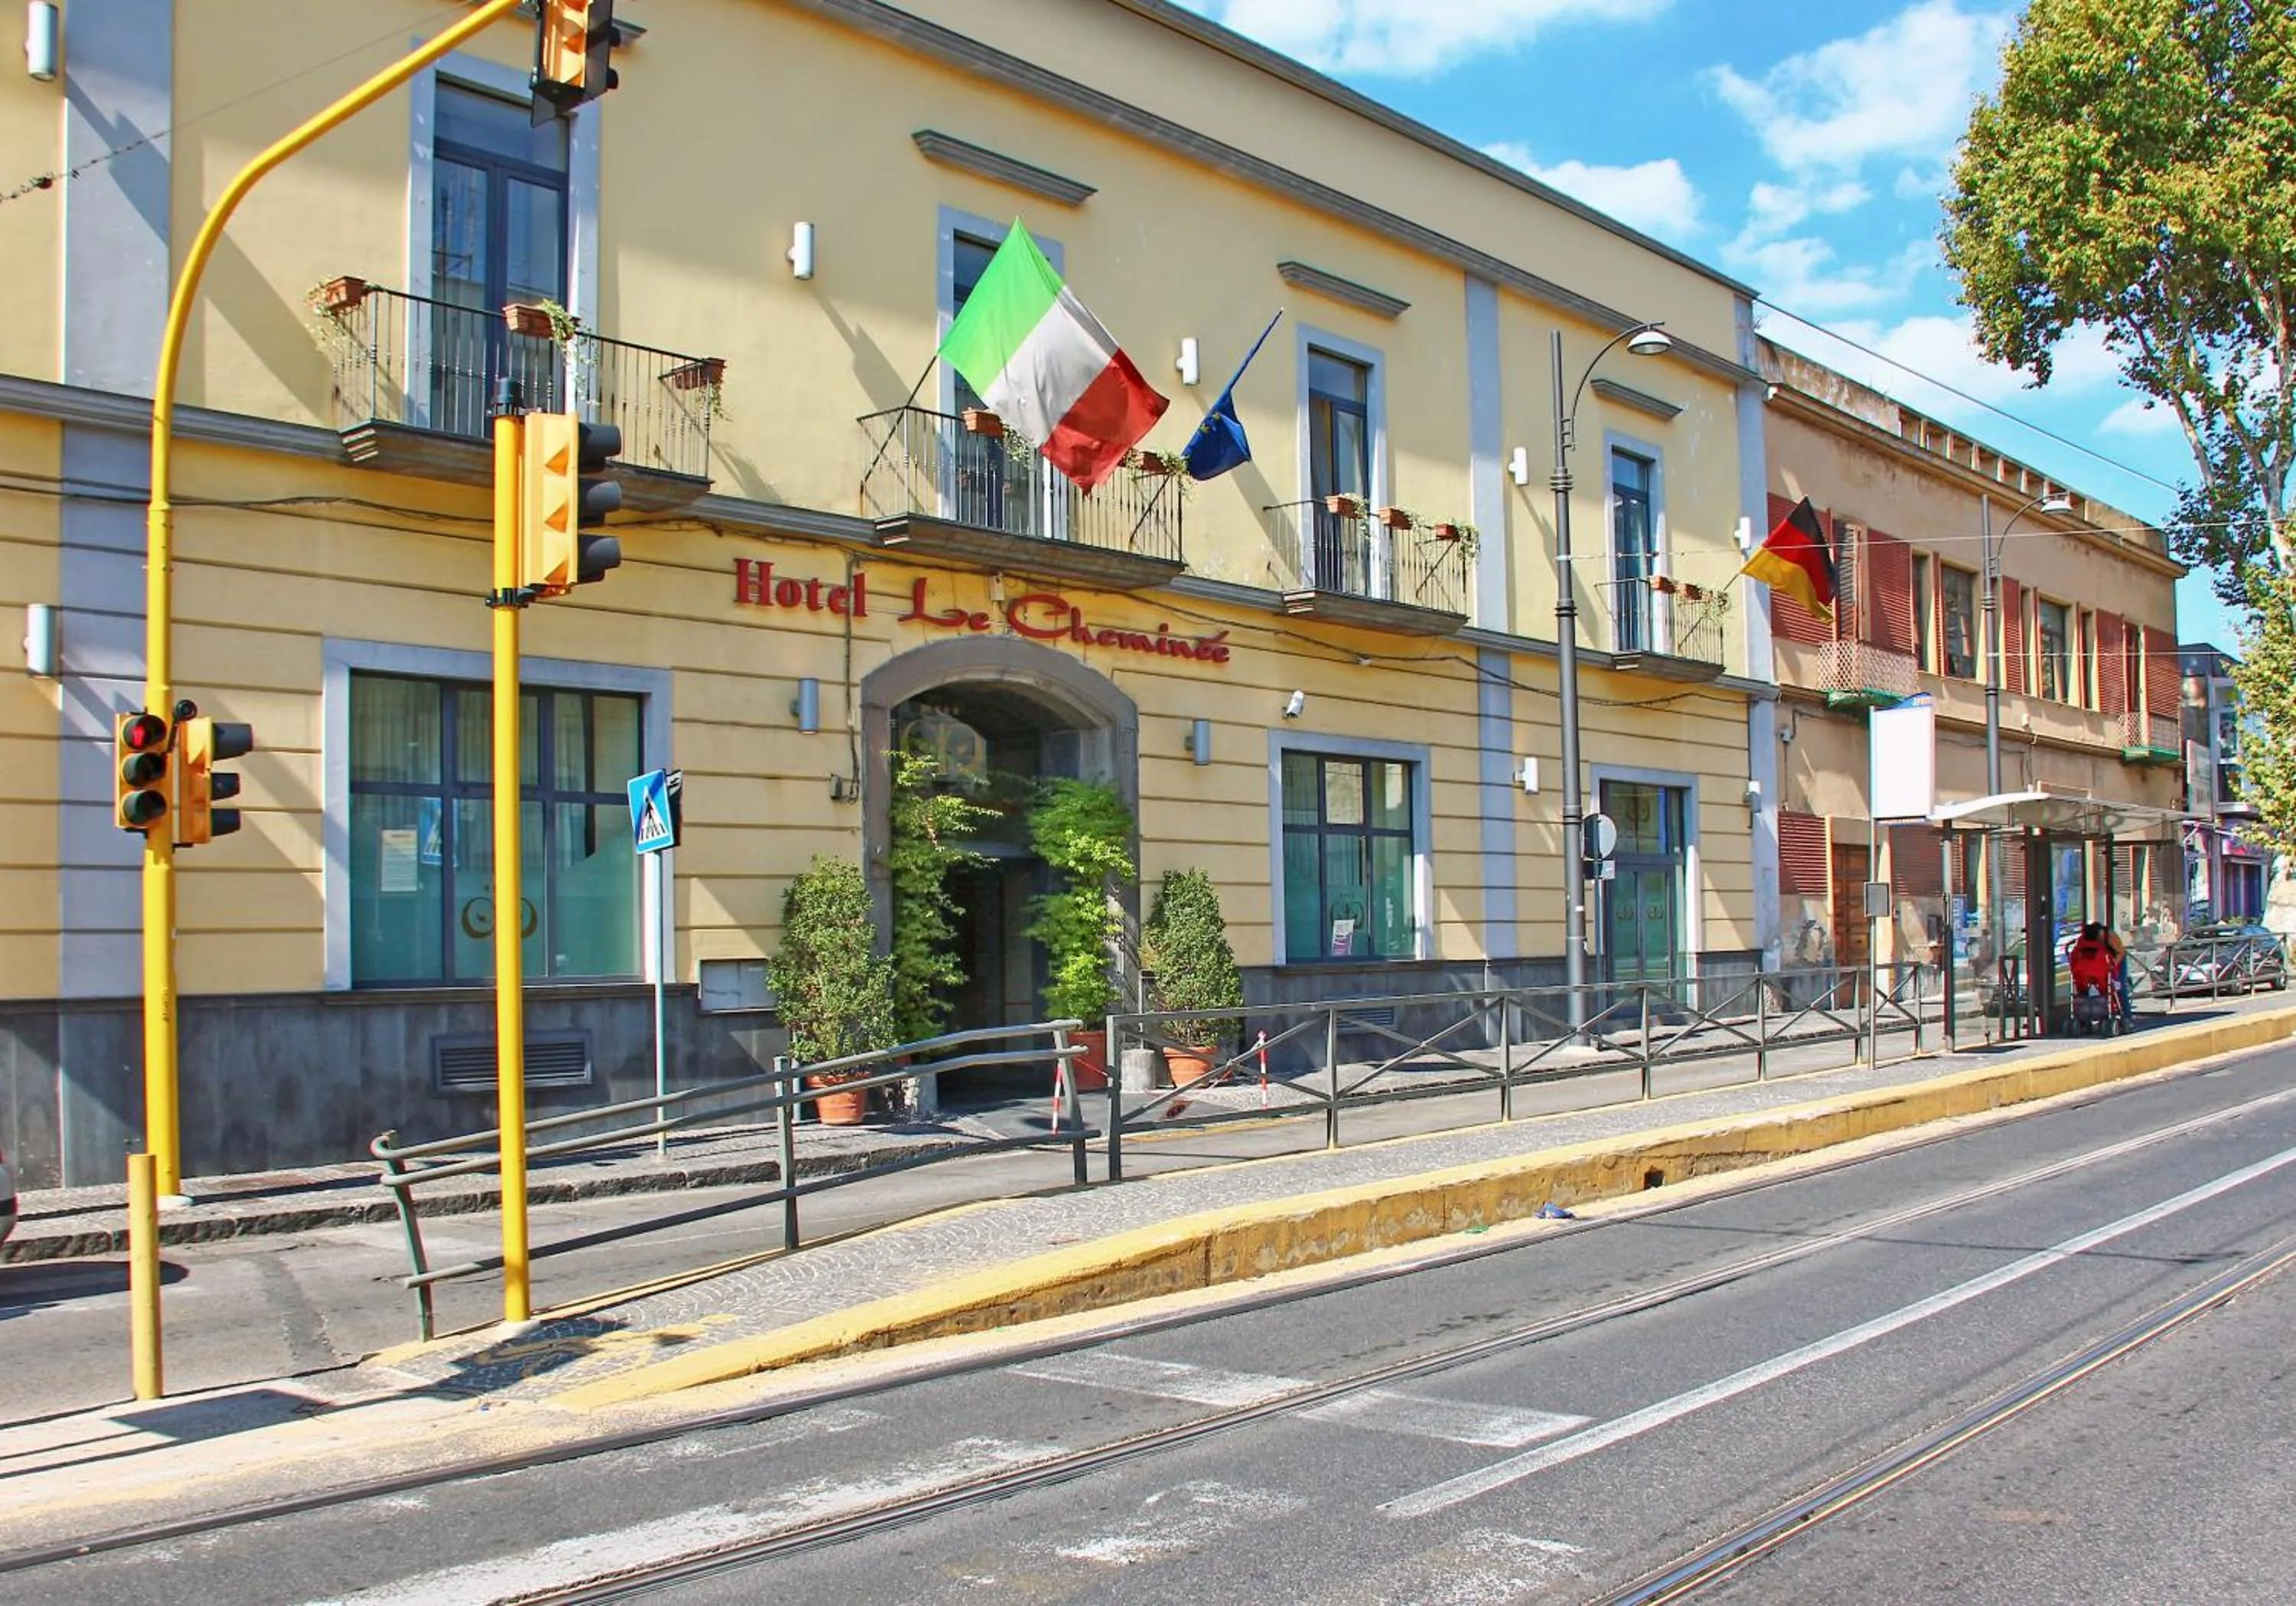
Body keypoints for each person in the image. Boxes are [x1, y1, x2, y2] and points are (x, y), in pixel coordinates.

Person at [2068, 923, 2116, 1019]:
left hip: (2082, 981)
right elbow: (2111, 966)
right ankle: (2109, 1013)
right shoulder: (2102, 951)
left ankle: (2080, 1016)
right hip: (2101, 983)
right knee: (2110, 990)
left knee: (2080, 993)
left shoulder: (2077, 950)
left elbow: (2073, 964)